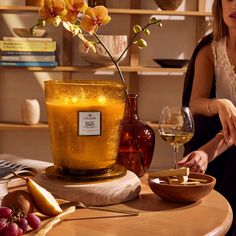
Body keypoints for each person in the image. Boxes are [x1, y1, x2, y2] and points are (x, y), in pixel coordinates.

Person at [180, 0, 236, 235]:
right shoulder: (210, 49)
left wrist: (207, 152)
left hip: (227, 146)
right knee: (203, 119)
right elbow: (194, 103)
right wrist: (220, 103)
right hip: (226, 140)